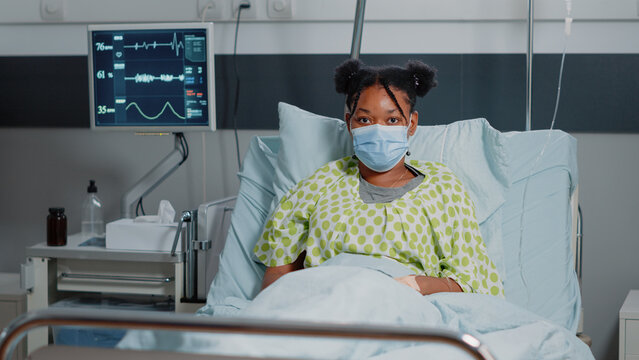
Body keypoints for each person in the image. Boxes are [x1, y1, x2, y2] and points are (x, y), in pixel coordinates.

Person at [253, 59, 504, 297]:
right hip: (329, 304)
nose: (378, 129)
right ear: (349, 123)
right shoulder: (320, 185)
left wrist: (415, 284)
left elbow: (473, 281)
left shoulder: (442, 187)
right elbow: (278, 280)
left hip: (404, 304)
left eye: (392, 119)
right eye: (364, 119)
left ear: (412, 124)